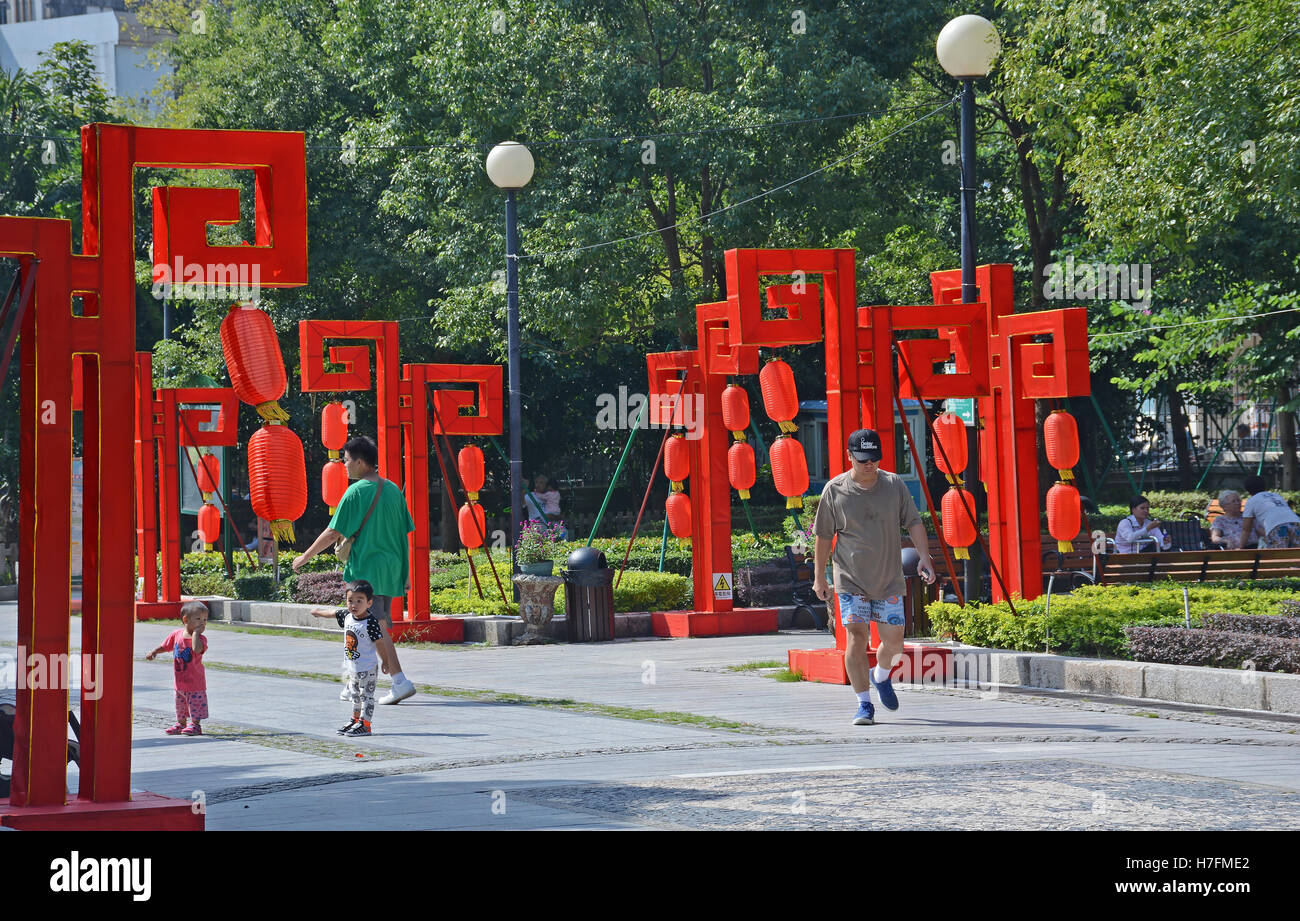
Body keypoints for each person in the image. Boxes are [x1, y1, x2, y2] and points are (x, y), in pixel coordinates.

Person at [811, 428, 935, 726]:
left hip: (888, 578)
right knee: (857, 636)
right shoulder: (835, 489)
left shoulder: (893, 485)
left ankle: (879, 676)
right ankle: (864, 705)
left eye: (874, 459)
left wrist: (925, 558)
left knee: (894, 645)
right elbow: (824, 536)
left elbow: (914, 522)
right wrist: (819, 578)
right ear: (849, 456)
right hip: (850, 578)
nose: (870, 465)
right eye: (863, 459)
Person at [293, 435, 417, 705]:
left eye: (347, 461)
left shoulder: (356, 492)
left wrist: (305, 556)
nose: (345, 466)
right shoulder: (393, 490)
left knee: (370, 628)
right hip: (389, 569)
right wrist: (405, 573)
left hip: (365, 570)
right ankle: (358, 684)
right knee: (370, 626)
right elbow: (403, 535)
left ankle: (398, 681)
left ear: (361, 462)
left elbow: (333, 532)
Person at [311, 580, 389, 736]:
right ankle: (355, 720)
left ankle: (365, 724)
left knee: (366, 696)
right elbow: (333, 613)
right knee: (355, 696)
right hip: (352, 667)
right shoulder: (347, 616)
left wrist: (385, 661)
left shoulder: (370, 622)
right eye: (350, 600)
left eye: (359, 601)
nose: (354, 605)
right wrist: (318, 612)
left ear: (369, 603)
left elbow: (380, 643)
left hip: (367, 667)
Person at [145, 600, 210, 736]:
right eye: (198, 619)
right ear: (185, 619)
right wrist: (155, 651)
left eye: (205, 619)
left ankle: (195, 725)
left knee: (195, 705)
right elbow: (166, 646)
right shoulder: (176, 634)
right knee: (180, 705)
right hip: (179, 681)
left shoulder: (201, 639)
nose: (202, 623)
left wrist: (196, 634)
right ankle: (181, 724)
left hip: (195, 682)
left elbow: (197, 649)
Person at [1239, 475, 1300, 549]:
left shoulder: (1251, 501)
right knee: (1297, 553)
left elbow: (1246, 529)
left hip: (1277, 528)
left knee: (1279, 556)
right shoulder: (1276, 496)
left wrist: (1240, 547)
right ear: (1265, 486)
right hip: (1296, 523)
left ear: (1247, 490)